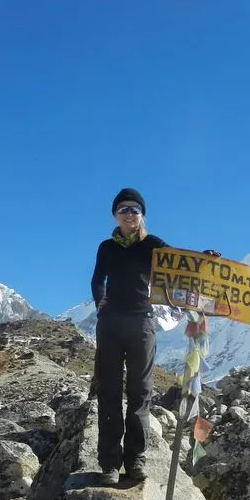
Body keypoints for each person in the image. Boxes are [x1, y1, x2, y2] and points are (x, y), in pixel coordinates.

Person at [90, 188, 169, 485]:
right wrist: (100, 300)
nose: (129, 213)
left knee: (140, 392)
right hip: (110, 323)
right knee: (109, 391)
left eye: (134, 209)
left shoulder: (152, 245)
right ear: (114, 214)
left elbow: (179, 264)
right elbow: (98, 278)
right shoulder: (106, 247)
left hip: (142, 321)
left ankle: (136, 459)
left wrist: (207, 261)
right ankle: (109, 462)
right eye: (123, 208)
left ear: (142, 214)